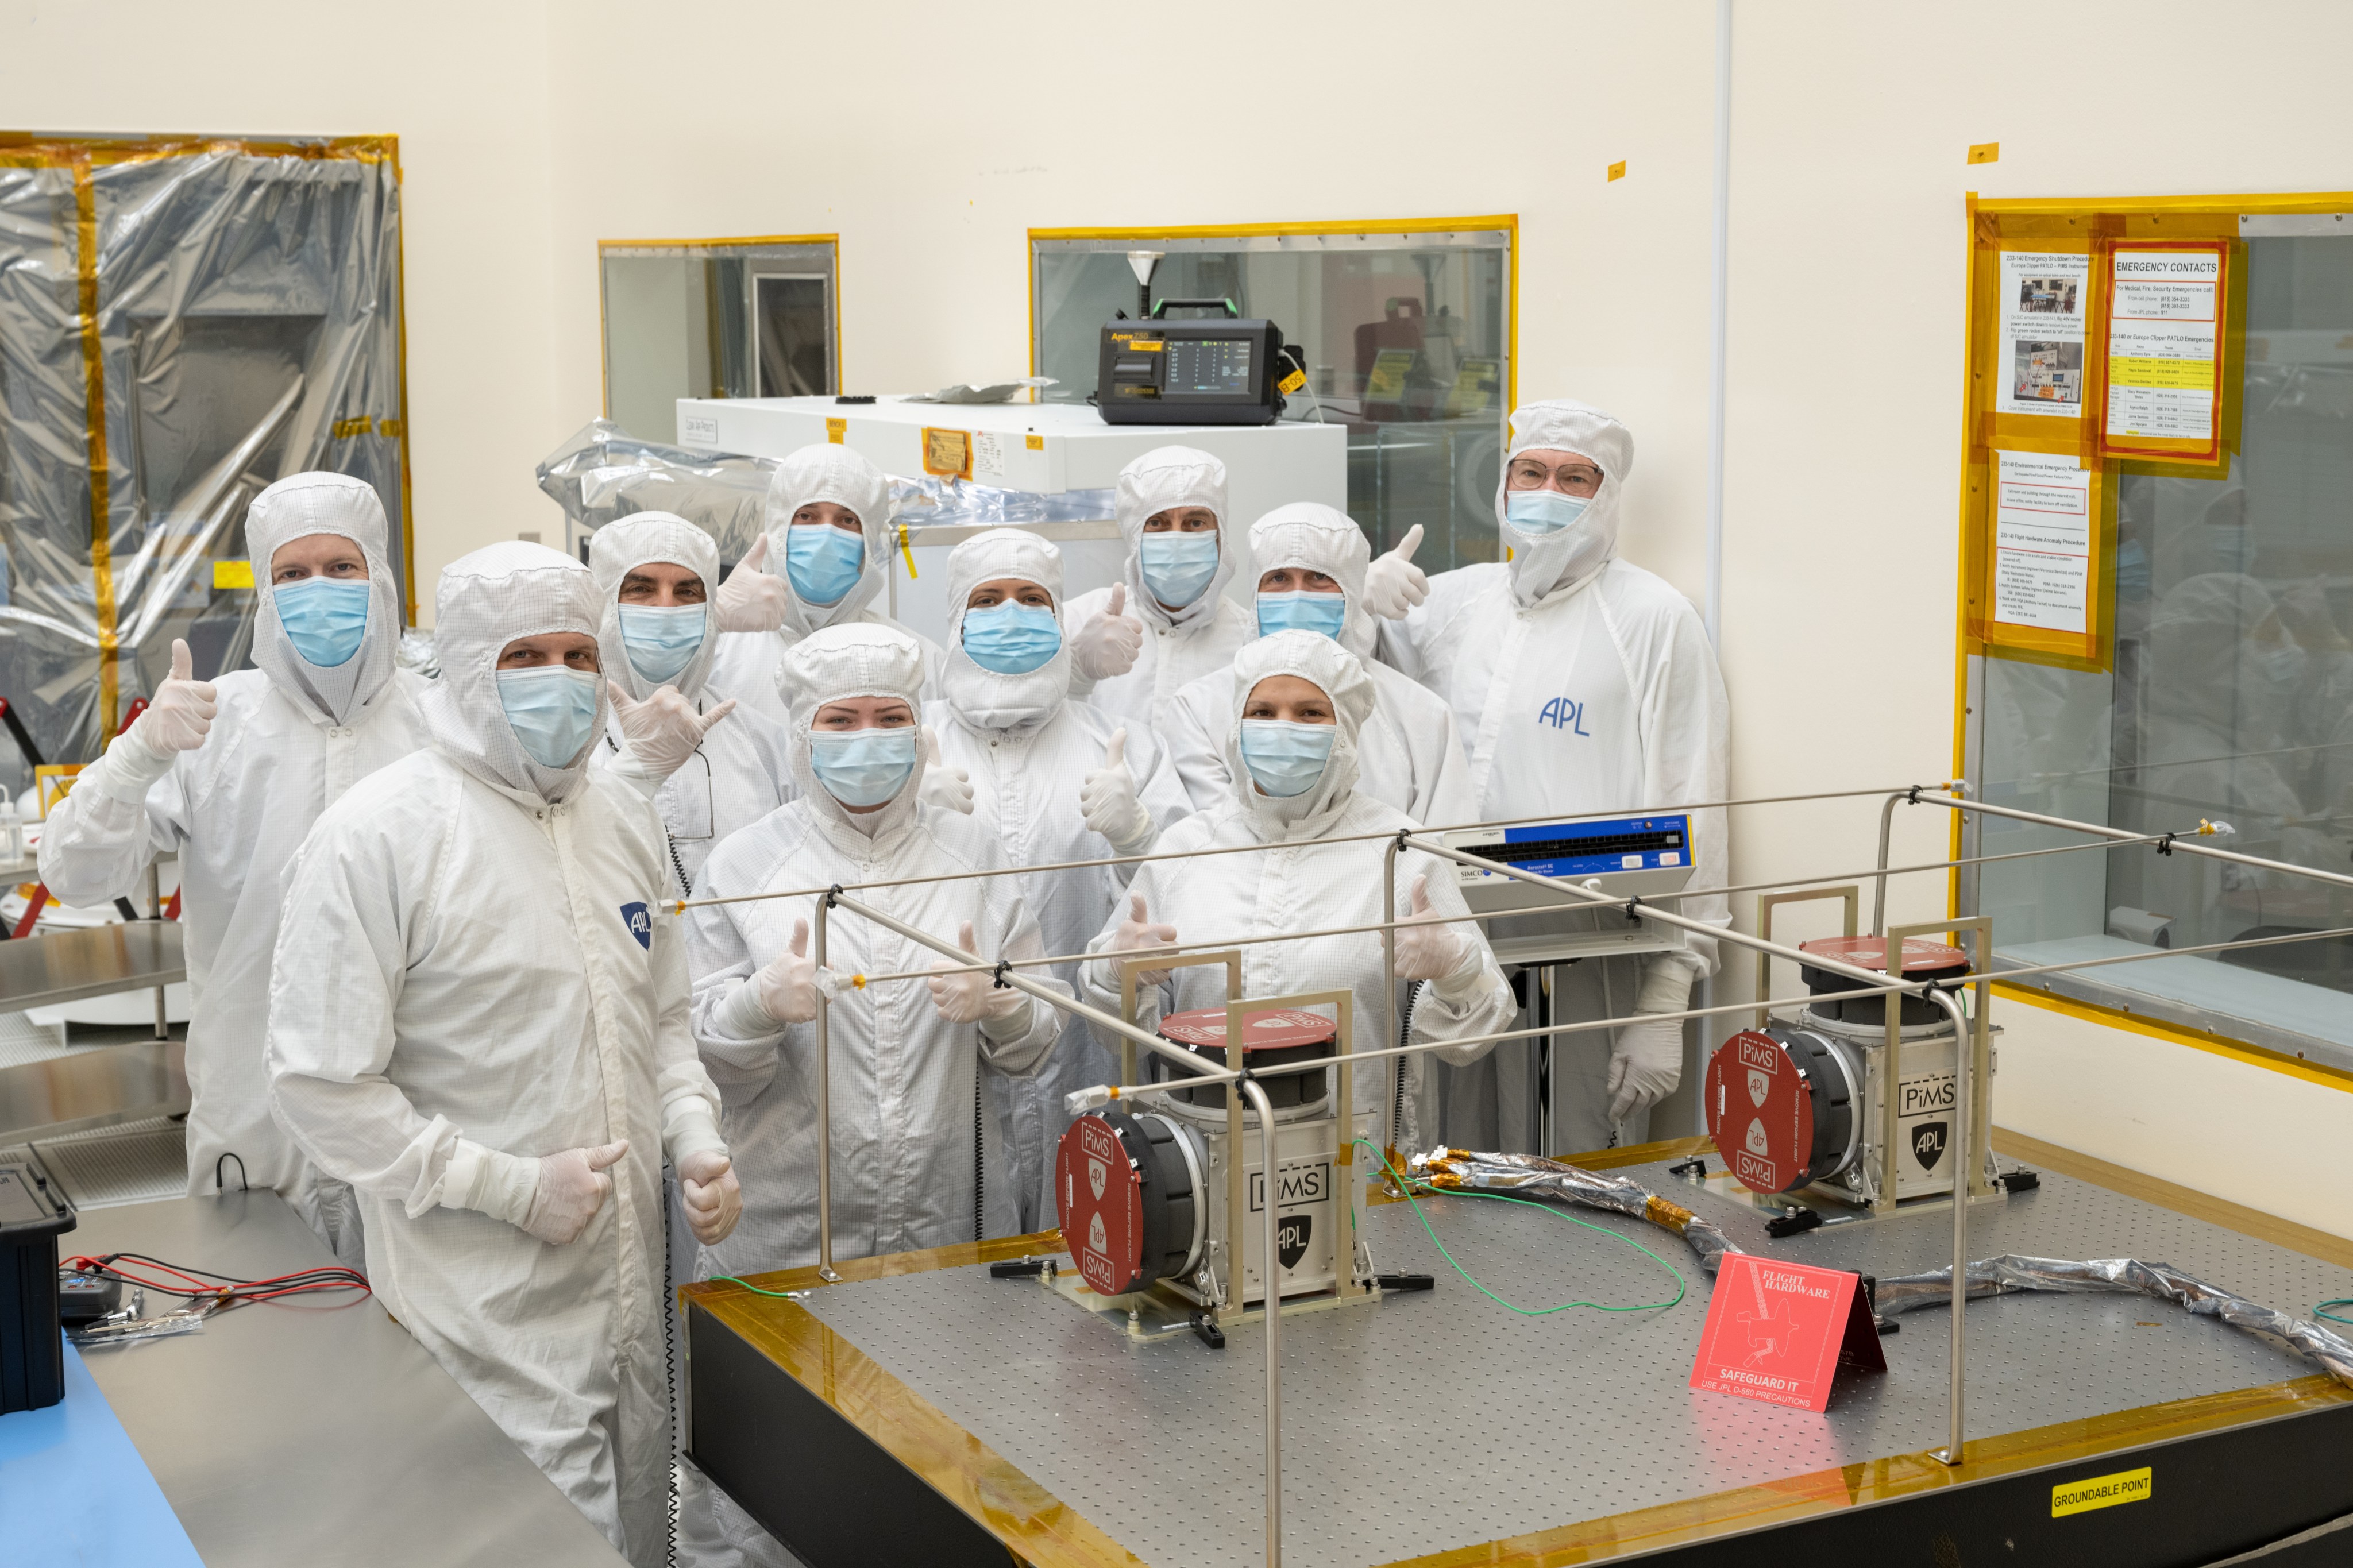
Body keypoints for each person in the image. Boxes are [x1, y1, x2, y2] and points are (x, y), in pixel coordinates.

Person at [265, 542, 742, 1567]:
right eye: (528, 656)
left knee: (638, 1535)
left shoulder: (620, 813)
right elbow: (320, 1083)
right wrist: (510, 1189)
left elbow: (661, 1014)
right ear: (469, 667)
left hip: (628, 1311)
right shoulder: (381, 836)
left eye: (579, 655)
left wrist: (694, 1136)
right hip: (482, 1320)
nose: (562, 682)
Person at [680, 621, 1068, 1568]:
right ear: (803, 733)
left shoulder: (974, 855)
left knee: (936, 1474)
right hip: (787, 1228)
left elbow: (1037, 1051)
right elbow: (697, 1058)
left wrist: (1000, 1004)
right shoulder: (744, 866)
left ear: (919, 726)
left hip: (940, 1228)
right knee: (772, 1489)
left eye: (888, 717)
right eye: (840, 720)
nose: (866, 739)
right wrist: (755, 1009)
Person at [38, 472, 427, 1261]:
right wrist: (136, 756)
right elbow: (76, 874)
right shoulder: (214, 722)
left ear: (380, 577)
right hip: (256, 1111)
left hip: (415, 1108)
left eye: (341, 568)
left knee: (416, 1349)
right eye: (292, 573)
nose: (317, 589)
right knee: (261, 1340)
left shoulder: (439, 724)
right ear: (264, 591)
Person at [1363, 400, 1730, 1154]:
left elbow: (1695, 801)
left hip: (1593, 955)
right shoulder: (1452, 603)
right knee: (1450, 1157)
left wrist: (1667, 995)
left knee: (1580, 1168)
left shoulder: (1654, 620)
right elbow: (1350, 717)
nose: (1547, 489)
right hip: (1458, 944)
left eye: (1574, 477)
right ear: (1502, 484)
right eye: (1530, 471)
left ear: (1608, 495)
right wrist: (1358, 611)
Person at [1081, 631, 1514, 1153]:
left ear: (1347, 731)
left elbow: (1475, 1039)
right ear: (1238, 726)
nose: (1283, 728)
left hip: (1361, 1167)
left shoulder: (1402, 852)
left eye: (1310, 713)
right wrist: (1116, 972)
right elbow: (1117, 1036)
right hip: (1209, 1164)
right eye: (1263, 712)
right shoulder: (1186, 851)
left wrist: (1455, 969)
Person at [917, 528, 1190, 1229]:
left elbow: (1186, 904)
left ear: (1060, 616)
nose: (1011, 613)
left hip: (1088, 1063)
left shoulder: (1119, 747)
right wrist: (911, 820)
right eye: (989, 598)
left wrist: (1137, 837)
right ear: (955, 620)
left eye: (1032, 598)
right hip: (947, 1077)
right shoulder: (909, 744)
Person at [1161, 502, 1475, 826]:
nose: (1297, 596)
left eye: (1319, 577)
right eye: (1279, 578)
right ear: (1255, 592)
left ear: (1352, 590)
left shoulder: (1421, 716)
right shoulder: (1199, 708)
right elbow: (1211, 843)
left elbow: (1444, 852)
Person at [589, 512, 794, 894]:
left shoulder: (761, 744)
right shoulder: (568, 743)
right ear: (602, 604)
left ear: (710, 608)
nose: (665, 609)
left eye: (687, 592)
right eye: (641, 589)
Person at [705, 445, 947, 724]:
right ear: (778, 528)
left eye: (847, 520)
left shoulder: (916, 659)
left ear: (868, 541)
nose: (827, 535)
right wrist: (712, 619)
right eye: (807, 516)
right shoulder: (719, 647)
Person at [1061, 446, 1255, 733]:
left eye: (1195, 523)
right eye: (1157, 523)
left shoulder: (1250, 645)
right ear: (1133, 535)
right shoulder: (1076, 622)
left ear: (1220, 534)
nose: (1176, 538)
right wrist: (1074, 674)